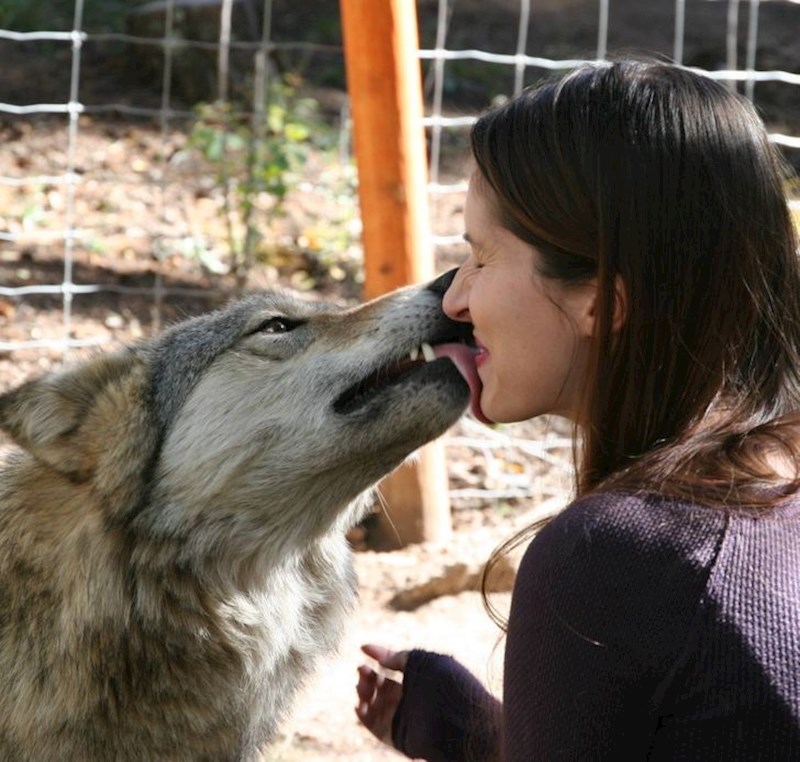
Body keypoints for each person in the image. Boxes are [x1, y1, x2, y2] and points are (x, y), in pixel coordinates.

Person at [353, 59, 800, 760]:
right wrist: (484, 737)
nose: (454, 301)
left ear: (600, 298)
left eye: (480, 259)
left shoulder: (613, 555)